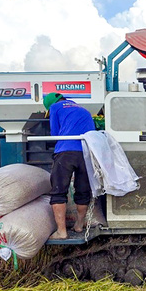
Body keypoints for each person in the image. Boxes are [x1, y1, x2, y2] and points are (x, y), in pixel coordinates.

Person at [43, 92, 96, 239]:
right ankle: (79, 225)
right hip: (86, 152)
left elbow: (55, 134)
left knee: (58, 190)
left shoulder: (55, 107)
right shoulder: (83, 109)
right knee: (83, 190)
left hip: (66, 152)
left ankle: (61, 231)